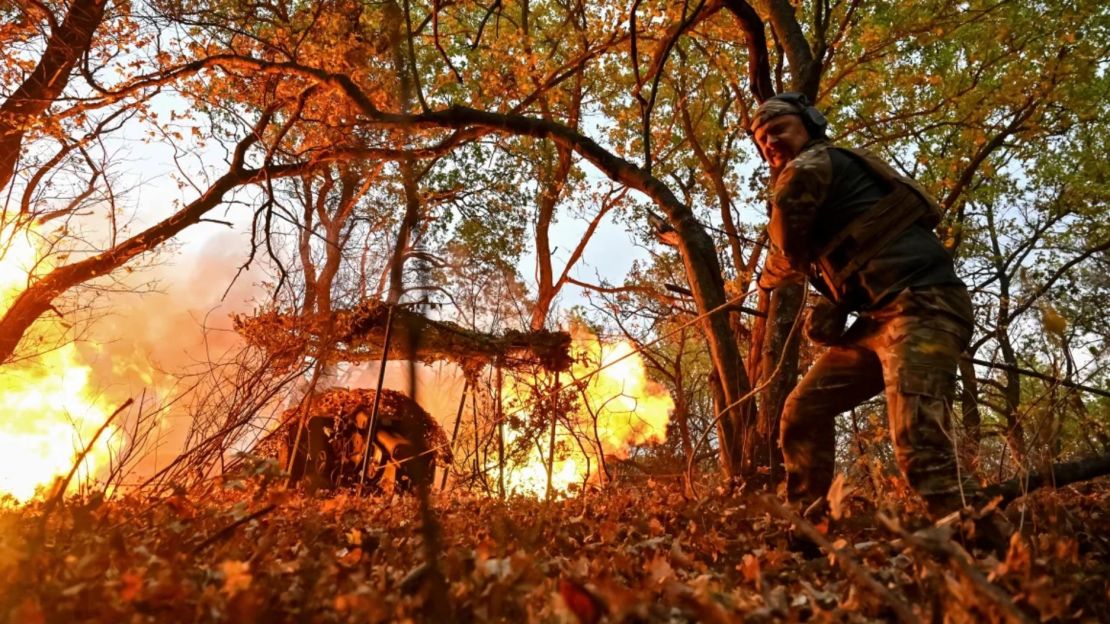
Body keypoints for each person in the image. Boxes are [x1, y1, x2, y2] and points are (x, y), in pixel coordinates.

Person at [750, 93, 989, 528]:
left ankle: (996, 556)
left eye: (779, 129)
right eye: (762, 139)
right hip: (880, 319)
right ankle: (808, 534)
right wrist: (836, 302)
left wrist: (764, 280)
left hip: (923, 305)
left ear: (810, 125)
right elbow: (857, 252)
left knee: (919, 442)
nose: (770, 142)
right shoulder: (829, 177)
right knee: (803, 410)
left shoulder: (808, 166)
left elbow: (787, 248)